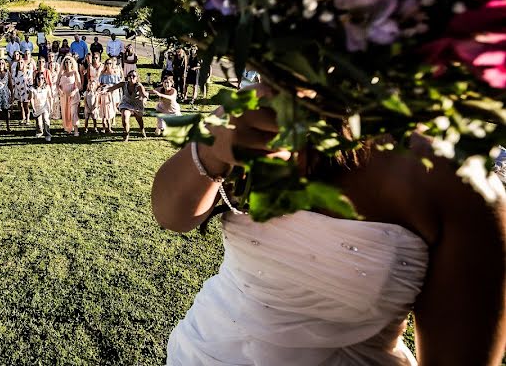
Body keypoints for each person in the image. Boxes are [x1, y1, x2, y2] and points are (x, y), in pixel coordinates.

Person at [153, 83, 506, 364]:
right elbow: (171, 216)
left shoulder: (453, 182)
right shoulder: (253, 116)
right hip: (199, 351)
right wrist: (212, 148)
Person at [106, 70, 147, 142]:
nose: (131, 77)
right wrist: (103, 90)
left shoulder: (139, 86)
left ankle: (142, 130)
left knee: (139, 119)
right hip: (126, 102)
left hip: (137, 103)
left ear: (137, 77)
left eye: (133, 76)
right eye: (129, 76)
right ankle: (126, 134)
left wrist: (144, 100)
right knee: (124, 117)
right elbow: (111, 88)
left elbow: (143, 94)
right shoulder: (123, 84)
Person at [57, 57, 82, 136]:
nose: (68, 64)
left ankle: (76, 130)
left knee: (73, 112)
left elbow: (79, 84)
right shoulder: (61, 73)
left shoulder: (75, 72)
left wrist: (74, 91)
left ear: (72, 63)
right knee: (65, 112)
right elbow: (57, 84)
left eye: (69, 62)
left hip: (73, 95)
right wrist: (60, 90)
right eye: (66, 63)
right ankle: (68, 128)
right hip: (64, 96)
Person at [98, 58, 122, 134]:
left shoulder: (114, 73)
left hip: (113, 92)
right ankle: (104, 127)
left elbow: (118, 84)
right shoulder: (102, 74)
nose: (108, 65)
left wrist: (111, 88)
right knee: (104, 109)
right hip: (104, 94)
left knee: (112, 107)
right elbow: (100, 84)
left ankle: (111, 124)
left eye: (110, 63)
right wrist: (103, 87)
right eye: (107, 63)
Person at [30, 72, 52, 142]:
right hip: (37, 107)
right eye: (39, 78)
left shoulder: (47, 87)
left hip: (45, 106)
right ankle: (39, 132)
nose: (40, 80)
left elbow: (50, 97)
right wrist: (33, 108)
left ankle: (47, 134)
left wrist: (51, 107)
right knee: (39, 123)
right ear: (36, 79)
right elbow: (32, 98)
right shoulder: (32, 88)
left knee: (46, 120)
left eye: (42, 78)